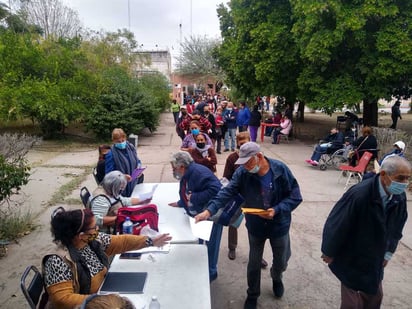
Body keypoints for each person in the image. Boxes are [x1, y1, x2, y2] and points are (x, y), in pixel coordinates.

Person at [195, 142, 302, 308]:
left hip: (279, 224)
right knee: (254, 263)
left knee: (281, 260)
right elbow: (226, 192)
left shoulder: (280, 169)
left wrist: (278, 209)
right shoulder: (242, 173)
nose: (245, 167)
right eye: (242, 163)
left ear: (258, 157)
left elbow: (295, 196)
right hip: (256, 225)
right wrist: (209, 211)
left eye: (247, 162)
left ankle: (276, 276)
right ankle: (252, 294)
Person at [321, 156, 411, 309]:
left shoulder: (399, 197)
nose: (404, 184)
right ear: (383, 175)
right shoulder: (360, 195)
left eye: (407, 179)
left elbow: (397, 227)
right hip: (353, 253)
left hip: (375, 254)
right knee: (351, 303)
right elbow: (338, 223)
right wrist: (328, 251)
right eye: (400, 178)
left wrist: (389, 252)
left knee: (374, 297)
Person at [43, 208, 171, 309]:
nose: (97, 229)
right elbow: (63, 300)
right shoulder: (57, 260)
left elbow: (122, 241)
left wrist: (150, 241)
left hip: (102, 296)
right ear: (80, 235)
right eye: (94, 227)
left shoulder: (92, 239)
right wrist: (103, 301)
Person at [167, 151, 222, 282]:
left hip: (210, 215)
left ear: (181, 166)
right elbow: (186, 189)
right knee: (199, 242)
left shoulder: (198, 173)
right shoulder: (187, 173)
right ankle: (200, 267)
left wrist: (195, 197)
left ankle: (211, 272)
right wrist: (182, 202)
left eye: (173, 168)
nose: (173, 170)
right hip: (199, 214)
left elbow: (217, 189)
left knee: (211, 244)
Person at [222, 132, 268, 268]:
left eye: (245, 143)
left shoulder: (257, 158)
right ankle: (232, 247)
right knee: (232, 222)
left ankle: (257, 256)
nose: (243, 145)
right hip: (237, 197)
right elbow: (226, 178)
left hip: (253, 198)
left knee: (254, 226)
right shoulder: (232, 158)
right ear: (237, 144)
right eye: (240, 144)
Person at [105, 128, 143, 197]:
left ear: (125, 138)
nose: (121, 143)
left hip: (134, 184)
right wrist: (122, 177)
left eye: (123, 140)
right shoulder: (111, 154)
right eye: (118, 142)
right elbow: (109, 175)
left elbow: (137, 161)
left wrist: (139, 169)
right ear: (114, 141)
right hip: (121, 188)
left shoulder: (131, 148)